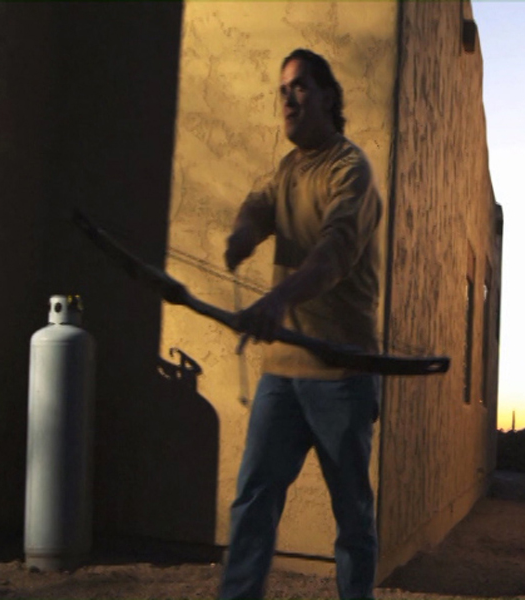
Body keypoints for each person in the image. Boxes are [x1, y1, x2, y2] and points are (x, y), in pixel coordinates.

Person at [219, 48, 384, 600]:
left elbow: (333, 253)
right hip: (282, 374)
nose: (288, 99)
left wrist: (278, 298)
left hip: (341, 375)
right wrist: (244, 234)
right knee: (253, 500)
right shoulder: (289, 169)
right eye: (282, 90)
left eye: (300, 87)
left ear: (329, 97)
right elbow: (258, 204)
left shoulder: (350, 170)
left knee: (352, 515)